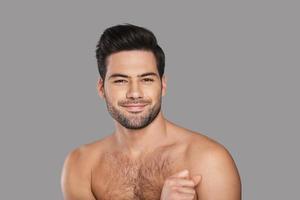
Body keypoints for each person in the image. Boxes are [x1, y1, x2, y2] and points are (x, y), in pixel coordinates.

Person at [61, 24, 241, 200]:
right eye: (120, 81)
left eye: (146, 79)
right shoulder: (81, 164)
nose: (134, 93)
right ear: (101, 88)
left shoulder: (208, 160)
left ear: (163, 85)